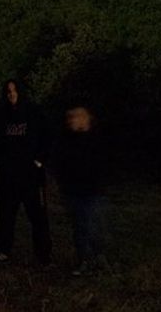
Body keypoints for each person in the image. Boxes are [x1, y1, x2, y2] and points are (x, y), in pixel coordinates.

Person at [0, 79, 52, 265]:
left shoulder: (34, 112)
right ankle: (3, 251)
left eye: (15, 91)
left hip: (31, 175)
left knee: (37, 215)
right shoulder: (0, 115)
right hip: (8, 175)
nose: (12, 94)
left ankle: (43, 254)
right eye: (8, 91)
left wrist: (40, 160)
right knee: (6, 215)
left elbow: (47, 136)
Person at [53, 105, 108, 276]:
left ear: (86, 118)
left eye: (75, 116)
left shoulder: (95, 140)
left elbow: (102, 164)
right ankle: (85, 259)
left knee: (90, 225)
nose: (71, 120)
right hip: (73, 190)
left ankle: (96, 258)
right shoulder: (67, 140)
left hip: (91, 190)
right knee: (79, 226)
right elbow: (60, 163)